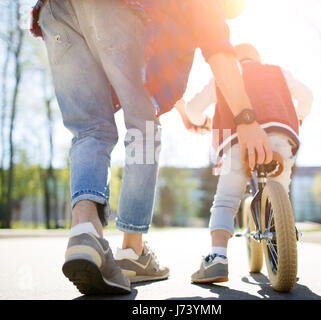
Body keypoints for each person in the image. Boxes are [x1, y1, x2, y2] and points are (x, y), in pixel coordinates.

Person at [30, 0, 269, 295]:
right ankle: (132, 251)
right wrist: (246, 119)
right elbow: (220, 54)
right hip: (114, 8)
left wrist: (182, 111)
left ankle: (84, 229)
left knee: (89, 127)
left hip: (56, 10)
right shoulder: (205, 6)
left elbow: (153, 71)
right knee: (143, 131)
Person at [174, 43, 313, 284]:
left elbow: (193, 108)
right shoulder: (277, 71)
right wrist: (299, 116)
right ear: (258, 58)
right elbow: (307, 96)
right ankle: (281, 245)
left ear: (231, 58)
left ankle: (217, 258)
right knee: (281, 191)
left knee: (226, 200)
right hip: (280, 140)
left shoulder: (225, 74)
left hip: (236, 142)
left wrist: (203, 120)